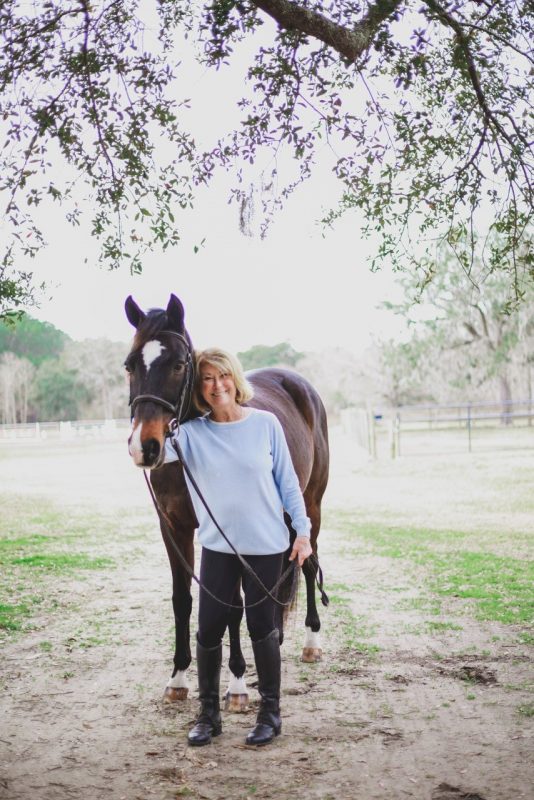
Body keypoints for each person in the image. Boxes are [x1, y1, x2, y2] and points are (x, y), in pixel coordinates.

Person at [164, 347, 312, 747]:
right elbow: (149, 451)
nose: (216, 385)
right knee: (208, 629)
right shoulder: (192, 434)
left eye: (222, 376)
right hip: (218, 549)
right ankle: (208, 715)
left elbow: (288, 484)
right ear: (199, 388)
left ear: (235, 378)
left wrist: (302, 532)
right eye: (207, 379)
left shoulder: (266, 424)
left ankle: (270, 714)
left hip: (266, 546)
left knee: (263, 628)